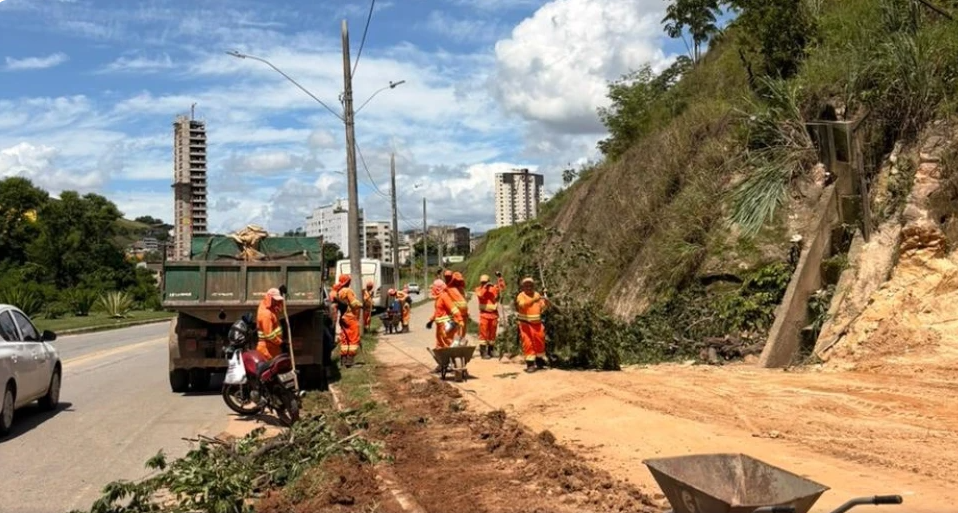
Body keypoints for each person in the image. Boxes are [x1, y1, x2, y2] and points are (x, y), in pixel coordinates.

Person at [514, 277, 549, 373]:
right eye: (526, 285)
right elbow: (522, 305)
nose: (528, 287)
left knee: (539, 342)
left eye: (530, 285)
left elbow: (543, 307)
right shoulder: (521, 296)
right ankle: (530, 364)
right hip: (525, 325)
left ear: (533, 286)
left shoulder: (537, 295)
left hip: (537, 324)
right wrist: (534, 299)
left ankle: (539, 361)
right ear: (523, 287)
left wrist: (546, 299)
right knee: (528, 343)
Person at [474, 271, 506, 359]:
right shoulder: (478, 289)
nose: (484, 284)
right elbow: (480, 295)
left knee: (492, 334)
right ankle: (483, 352)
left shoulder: (494, 288)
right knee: (483, 334)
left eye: (486, 282)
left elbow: (502, 288)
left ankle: (491, 350)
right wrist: (485, 287)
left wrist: (500, 278)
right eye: (483, 282)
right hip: (484, 314)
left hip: (494, 314)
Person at [426, 279, 462, 356]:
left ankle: (451, 361)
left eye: (434, 288)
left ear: (438, 288)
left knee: (448, 343)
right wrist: (431, 320)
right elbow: (438, 312)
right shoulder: (438, 298)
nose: (432, 290)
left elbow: (453, 309)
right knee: (439, 344)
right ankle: (442, 362)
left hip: (446, 325)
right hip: (439, 326)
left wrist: (460, 319)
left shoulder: (444, 297)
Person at [336, 275, 363, 368]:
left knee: (345, 338)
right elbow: (354, 303)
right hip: (350, 317)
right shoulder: (348, 291)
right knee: (353, 338)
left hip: (343, 317)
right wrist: (362, 305)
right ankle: (350, 361)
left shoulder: (339, 292)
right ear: (347, 282)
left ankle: (343, 360)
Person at [256, 287, 286, 360]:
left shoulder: (270, 308)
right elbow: (269, 335)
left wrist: (282, 294)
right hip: (267, 350)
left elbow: (280, 309)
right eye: (275, 300)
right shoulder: (266, 314)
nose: (277, 302)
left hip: (272, 347)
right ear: (270, 299)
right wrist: (281, 343)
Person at [450, 272, 469, 340]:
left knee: (463, 330)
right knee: (456, 330)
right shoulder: (450, 290)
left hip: (464, 314)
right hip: (455, 314)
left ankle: (461, 341)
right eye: (457, 281)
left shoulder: (462, 290)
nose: (458, 282)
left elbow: (465, 301)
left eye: (459, 281)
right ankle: (455, 343)